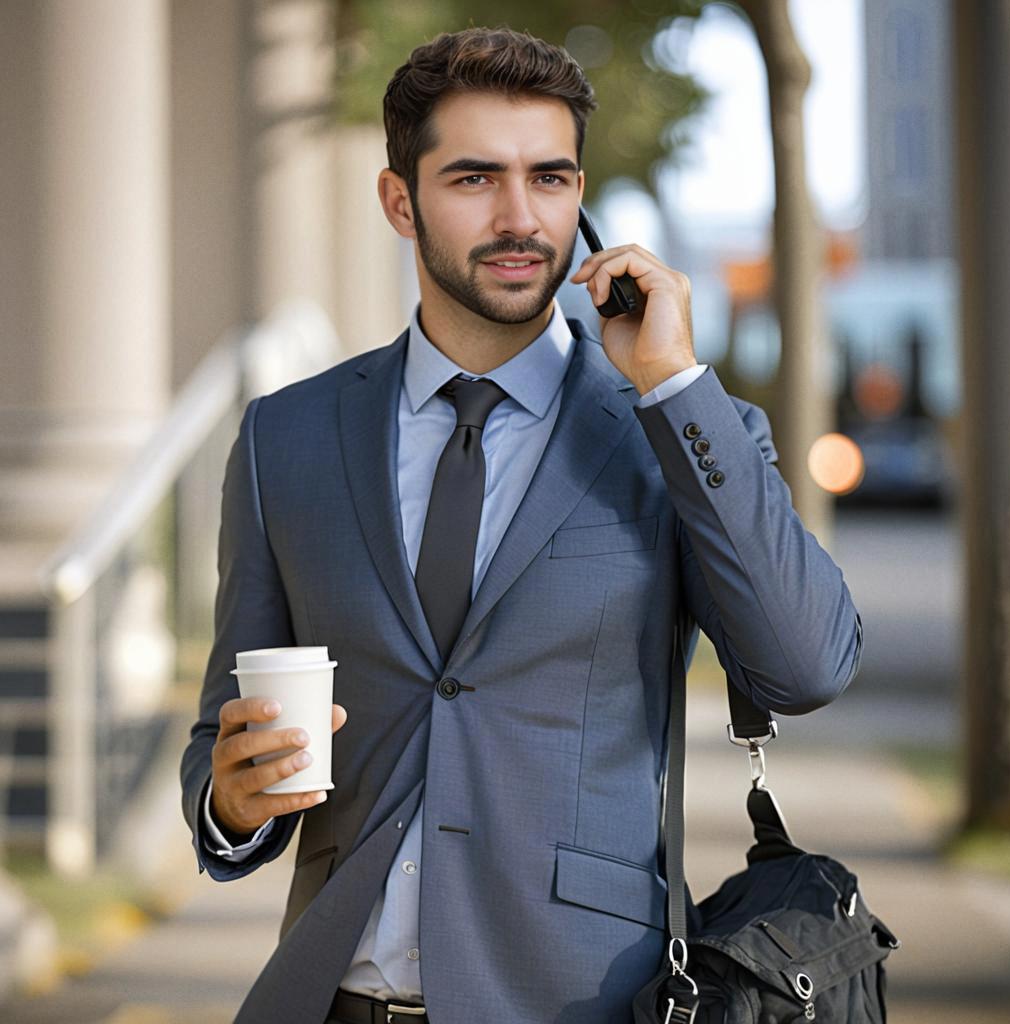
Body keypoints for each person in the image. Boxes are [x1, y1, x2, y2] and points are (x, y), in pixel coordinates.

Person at [180, 26, 862, 1024]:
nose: (519, 216)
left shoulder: (662, 428)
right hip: (329, 999)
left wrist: (673, 383)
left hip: (575, 999)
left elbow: (806, 665)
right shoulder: (286, 438)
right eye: (473, 179)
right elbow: (221, 730)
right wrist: (230, 803)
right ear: (398, 200)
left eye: (550, 178)